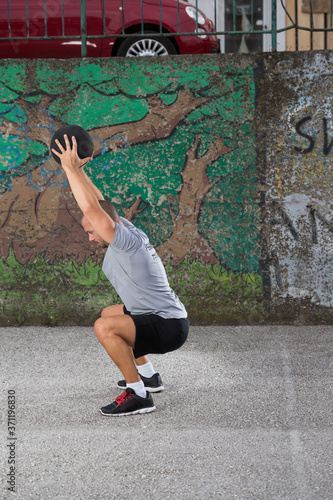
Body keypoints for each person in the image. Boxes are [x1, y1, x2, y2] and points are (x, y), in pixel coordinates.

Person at [52, 134, 189, 416]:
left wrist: (67, 168)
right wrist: (79, 171)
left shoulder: (123, 242)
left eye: (91, 231)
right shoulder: (123, 226)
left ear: (104, 226)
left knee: (105, 328)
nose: (90, 238)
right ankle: (148, 376)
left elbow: (91, 208)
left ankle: (137, 394)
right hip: (167, 317)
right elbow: (99, 203)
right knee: (109, 313)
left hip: (170, 328)